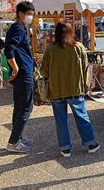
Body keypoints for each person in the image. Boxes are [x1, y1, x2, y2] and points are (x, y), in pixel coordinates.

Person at [41, 22, 99, 158]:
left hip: (56, 89)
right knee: (81, 116)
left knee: (60, 120)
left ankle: (65, 148)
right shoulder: (79, 47)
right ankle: (91, 143)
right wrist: (85, 85)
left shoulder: (50, 49)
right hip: (75, 88)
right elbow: (86, 68)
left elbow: (44, 71)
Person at [5, 1, 35, 153]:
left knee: (19, 106)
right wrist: (15, 67)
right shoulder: (18, 28)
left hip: (22, 72)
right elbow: (8, 50)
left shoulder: (18, 28)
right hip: (23, 73)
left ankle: (18, 137)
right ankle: (14, 141)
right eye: (29, 14)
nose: (31, 17)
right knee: (26, 107)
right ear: (22, 14)